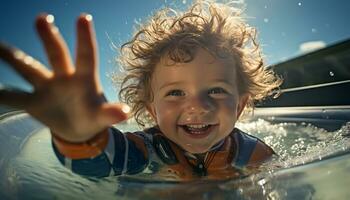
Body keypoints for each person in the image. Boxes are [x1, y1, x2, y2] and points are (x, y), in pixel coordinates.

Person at [0, 1, 281, 181]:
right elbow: (99, 163)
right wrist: (81, 137)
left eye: (217, 90)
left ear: (241, 106)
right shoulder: (146, 150)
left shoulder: (255, 154)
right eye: (175, 93)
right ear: (151, 110)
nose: (197, 106)